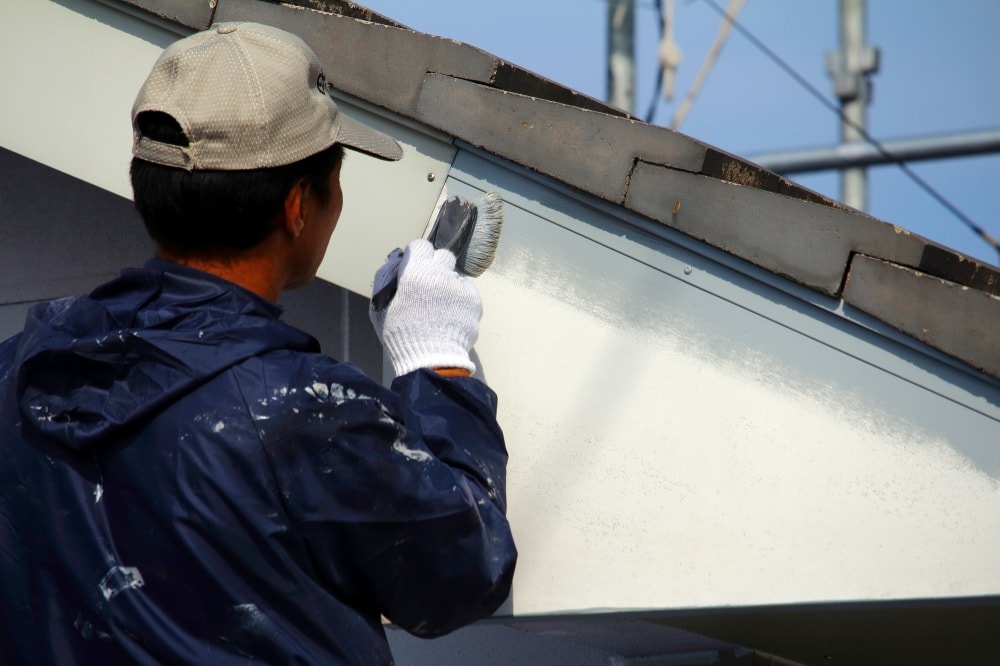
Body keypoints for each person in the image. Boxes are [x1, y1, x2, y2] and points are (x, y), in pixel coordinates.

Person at [0, 22, 516, 665]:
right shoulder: (294, 409)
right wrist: (436, 361)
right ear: (299, 206)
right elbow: (465, 569)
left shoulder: (20, 371)